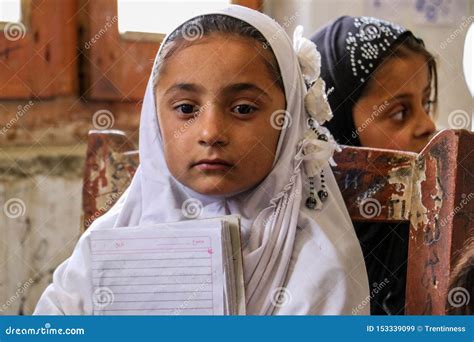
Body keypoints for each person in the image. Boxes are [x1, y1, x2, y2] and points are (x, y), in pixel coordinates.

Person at [34, 5, 369, 315]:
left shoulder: (318, 268)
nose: (210, 132)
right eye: (186, 109)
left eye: (243, 109)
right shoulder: (106, 245)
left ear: (289, 119)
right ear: (156, 119)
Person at [311, 16, 438, 315]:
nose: (429, 124)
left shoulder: (438, 215)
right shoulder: (302, 241)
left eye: (427, 103)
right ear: (335, 123)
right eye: (399, 112)